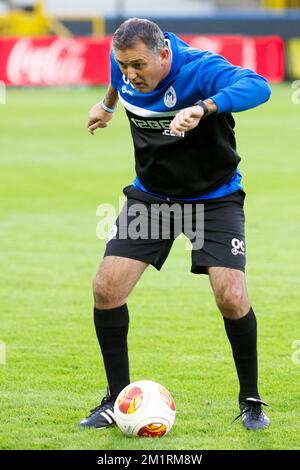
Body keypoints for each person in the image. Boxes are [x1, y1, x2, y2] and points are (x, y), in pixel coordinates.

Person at [79, 18, 271, 431]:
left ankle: (251, 400)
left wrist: (203, 107)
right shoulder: (126, 64)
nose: (130, 73)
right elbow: (118, 79)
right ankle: (115, 399)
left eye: (138, 66)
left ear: (164, 54)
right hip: (152, 198)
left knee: (232, 297)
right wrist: (108, 105)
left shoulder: (200, 68)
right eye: (124, 65)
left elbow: (260, 86)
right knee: (106, 288)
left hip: (213, 199)